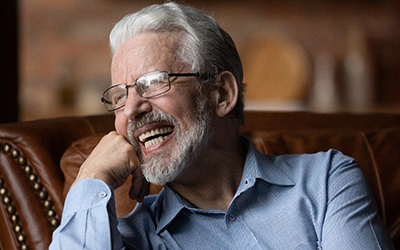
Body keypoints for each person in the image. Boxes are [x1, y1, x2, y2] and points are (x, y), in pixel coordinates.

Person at [50, 2, 394, 249]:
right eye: (120, 95)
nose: (133, 109)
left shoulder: (327, 182)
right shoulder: (132, 238)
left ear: (221, 93)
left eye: (153, 82)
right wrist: (90, 179)